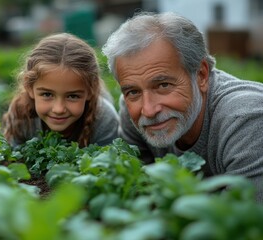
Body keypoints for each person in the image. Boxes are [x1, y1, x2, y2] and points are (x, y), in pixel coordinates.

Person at [102, 12, 263, 202]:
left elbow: (244, 222)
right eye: (133, 92)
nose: (148, 110)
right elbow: (137, 194)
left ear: (201, 75)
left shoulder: (245, 119)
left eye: (163, 85)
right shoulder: (130, 111)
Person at [2, 33, 119, 148]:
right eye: (47, 94)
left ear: (91, 90)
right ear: (29, 87)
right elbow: (14, 162)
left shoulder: (105, 119)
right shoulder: (21, 113)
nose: (59, 109)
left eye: (72, 96)